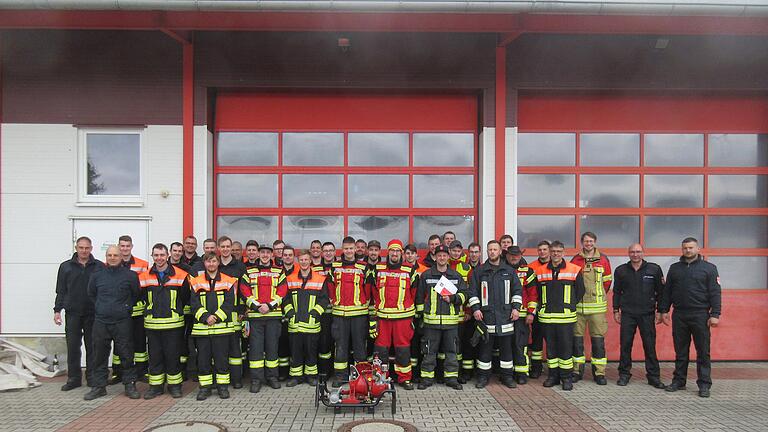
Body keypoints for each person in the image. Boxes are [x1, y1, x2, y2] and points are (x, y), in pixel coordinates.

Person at [660, 237, 721, 398]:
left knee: (703, 351)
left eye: (691, 248)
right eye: (685, 248)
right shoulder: (674, 269)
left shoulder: (709, 268)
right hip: (680, 314)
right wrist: (664, 311)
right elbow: (667, 292)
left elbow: (715, 293)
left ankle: (704, 384)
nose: (688, 250)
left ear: (698, 249)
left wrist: (715, 314)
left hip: (700, 314)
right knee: (680, 351)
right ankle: (679, 381)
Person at [85, 245, 140, 400]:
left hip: (122, 321)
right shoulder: (97, 275)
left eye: (116, 255)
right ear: (106, 257)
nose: (113, 258)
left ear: (121, 257)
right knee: (99, 355)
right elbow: (91, 294)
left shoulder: (130, 276)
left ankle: (129, 385)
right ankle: (98, 386)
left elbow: (135, 295)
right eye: (110, 255)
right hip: (101, 321)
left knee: (126, 354)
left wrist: (125, 308)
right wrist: (101, 307)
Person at [467, 240, 522, 389]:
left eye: (495, 249)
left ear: (499, 252)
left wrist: (516, 308)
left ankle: (507, 377)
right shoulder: (479, 271)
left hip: (505, 317)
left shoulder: (509, 271)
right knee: (485, 350)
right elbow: (472, 292)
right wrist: (476, 309)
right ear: (487, 252)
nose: (492, 252)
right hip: (486, 317)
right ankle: (483, 377)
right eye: (490, 249)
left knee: (506, 350)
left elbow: (517, 291)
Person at [139, 243, 190, 399]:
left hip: (174, 324)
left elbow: (185, 297)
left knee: (173, 356)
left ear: (167, 255)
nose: (159, 258)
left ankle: (175, 386)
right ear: (152, 256)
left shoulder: (181, 275)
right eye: (156, 255)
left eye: (162, 255)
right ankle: (155, 387)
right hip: (152, 325)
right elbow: (140, 297)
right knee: (154, 356)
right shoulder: (144, 276)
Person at [612, 243, 665, 389]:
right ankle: (624, 375)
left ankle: (653, 377)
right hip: (628, 314)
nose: (635, 254)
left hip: (647, 314)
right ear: (628, 253)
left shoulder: (654, 269)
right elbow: (616, 292)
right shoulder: (621, 270)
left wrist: (660, 311)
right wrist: (616, 310)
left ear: (643, 253)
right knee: (625, 346)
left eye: (638, 252)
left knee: (650, 346)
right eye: (632, 252)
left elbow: (661, 292)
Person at [415, 245, 467, 390]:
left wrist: (453, 298)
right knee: (429, 352)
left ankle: (451, 379)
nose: (442, 258)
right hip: (431, 322)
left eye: (444, 255)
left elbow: (465, 295)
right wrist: (420, 317)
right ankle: (426, 379)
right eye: (439, 255)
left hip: (451, 323)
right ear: (435, 257)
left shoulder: (455, 276)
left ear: (448, 257)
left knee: (452, 352)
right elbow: (419, 297)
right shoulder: (426, 275)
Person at [54, 236, 103, 391]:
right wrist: (57, 311)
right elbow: (61, 291)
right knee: (73, 346)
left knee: (92, 346)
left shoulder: (99, 266)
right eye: (81, 248)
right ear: (76, 248)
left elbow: (103, 290)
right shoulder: (65, 267)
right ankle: (74, 379)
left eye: (87, 248)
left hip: (92, 313)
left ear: (91, 248)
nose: (84, 251)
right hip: (73, 312)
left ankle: (92, 377)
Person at [535, 240, 584, 391]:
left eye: (558, 251)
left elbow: (580, 291)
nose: (555, 254)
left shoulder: (574, 269)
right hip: (547, 317)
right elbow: (537, 292)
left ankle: (566, 378)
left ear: (564, 253)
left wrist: (568, 305)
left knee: (565, 349)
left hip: (565, 318)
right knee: (551, 349)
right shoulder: (541, 270)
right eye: (553, 251)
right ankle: (553, 376)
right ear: (549, 253)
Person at [370, 239, 418, 390]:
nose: (395, 253)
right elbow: (372, 295)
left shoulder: (410, 270)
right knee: (381, 350)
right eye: (392, 250)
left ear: (401, 253)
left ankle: (404, 379)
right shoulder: (377, 270)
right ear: (388, 252)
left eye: (398, 251)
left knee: (403, 350)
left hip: (403, 318)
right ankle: (380, 378)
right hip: (383, 318)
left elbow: (415, 294)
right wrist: (373, 319)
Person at [189, 252, 237, 400]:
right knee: (203, 360)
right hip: (203, 330)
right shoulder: (196, 282)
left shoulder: (228, 281)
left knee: (222, 360)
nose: (211, 264)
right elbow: (194, 303)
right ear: (205, 264)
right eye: (208, 262)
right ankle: (205, 388)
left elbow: (230, 303)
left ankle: (222, 387)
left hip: (222, 329)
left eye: (214, 261)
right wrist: (205, 317)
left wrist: (215, 317)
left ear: (218, 263)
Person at [240, 244, 287, 393]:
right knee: (256, 349)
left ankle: (272, 377)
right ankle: (256, 380)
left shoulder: (279, 272)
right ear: (259, 254)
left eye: (268, 252)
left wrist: (269, 306)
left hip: (273, 316)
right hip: (255, 316)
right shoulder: (248, 271)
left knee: (272, 348)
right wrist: (257, 306)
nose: (265, 255)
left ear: (272, 255)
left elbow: (283, 292)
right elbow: (244, 291)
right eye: (263, 252)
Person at [283, 249, 330, 386]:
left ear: (310, 261)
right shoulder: (290, 278)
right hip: (295, 323)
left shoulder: (320, 279)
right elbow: (285, 299)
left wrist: (315, 313)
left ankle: (311, 376)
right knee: (295, 351)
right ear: (298, 261)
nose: (304, 262)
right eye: (301, 260)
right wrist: (290, 312)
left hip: (312, 323)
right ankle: (296, 377)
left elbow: (324, 299)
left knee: (311, 351)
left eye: (306, 259)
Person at [570, 232, 612, 385]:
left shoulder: (603, 259)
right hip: (579, 308)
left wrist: (598, 296)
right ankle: (577, 371)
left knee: (598, 341)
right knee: (577, 341)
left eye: (591, 241)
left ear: (595, 242)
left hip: (597, 308)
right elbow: (572, 281)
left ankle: (599, 373)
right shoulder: (576, 260)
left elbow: (607, 282)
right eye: (586, 241)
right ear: (582, 243)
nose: (588, 244)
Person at [329, 237, 371, 387]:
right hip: (340, 314)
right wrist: (334, 300)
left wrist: (364, 303)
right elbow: (330, 285)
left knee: (360, 347)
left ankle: (362, 377)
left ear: (355, 249)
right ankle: (341, 377)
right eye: (346, 249)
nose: (348, 251)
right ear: (342, 249)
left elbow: (368, 288)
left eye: (351, 248)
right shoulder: (334, 266)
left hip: (359, 314)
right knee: (340, 346)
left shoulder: (363, 267)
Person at [113, 235, 149, 384]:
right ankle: (118, 372)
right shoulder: (111, 264)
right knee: (119, 342)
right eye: (122, 246)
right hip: (119, 312)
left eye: (127, 246)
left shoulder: (142, 264)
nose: (125, 249)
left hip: (137, 311)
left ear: (132, 247)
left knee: (140, 342)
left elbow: (145, 286)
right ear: (118, 246)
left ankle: (141, 371)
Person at [216, 236, 247, 389]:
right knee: (220, 348)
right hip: (218, 313)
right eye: (223, 246)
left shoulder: (240, 267)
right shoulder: (215, 265)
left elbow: (243, 290)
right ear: (218, 248)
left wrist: (242, 309)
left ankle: (236, 379)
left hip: (235, 313)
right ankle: (222, 378)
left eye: (228, 246)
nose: (226, 249)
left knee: (236, 348)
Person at [506, 246, 539, 384]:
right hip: (504, 316)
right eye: (512, 255)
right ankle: (508, 373)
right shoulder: (502, 269)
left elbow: (533, 294)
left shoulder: (528, 271)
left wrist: (531, 313)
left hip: (522, 315)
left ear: (521, 255)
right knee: (506, 345)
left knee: (520, 345)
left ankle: (521, 373)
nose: (514, 257)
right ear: (507, 256)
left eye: (517, 255)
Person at [527, 240, 550, 379]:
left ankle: (553, 369)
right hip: (537, 306)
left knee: (552, 340)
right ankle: (536, 367)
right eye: (540, 249)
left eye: (545, 249)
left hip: (552, 308)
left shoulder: (555, 266)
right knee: (536, 339)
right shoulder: (531, 267)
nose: (542, 252)